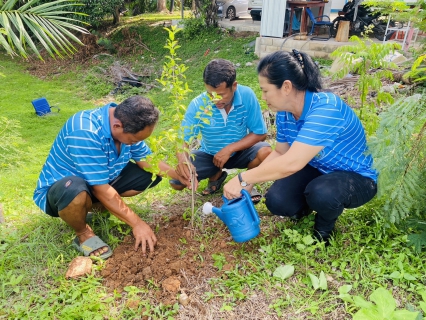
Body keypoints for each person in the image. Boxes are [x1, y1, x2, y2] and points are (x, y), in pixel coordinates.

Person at [223, 50, 378, 243]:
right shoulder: (284, 113)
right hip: (319, 167)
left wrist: (243, 178)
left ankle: (324, 230)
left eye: (265, 90)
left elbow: (292, 163)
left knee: (322, 193)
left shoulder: (326, 109)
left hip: (357, 177)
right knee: (277, 200)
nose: (263, 97)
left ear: (286, 87)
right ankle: (307, 207)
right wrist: (250, 184)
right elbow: (281, 152)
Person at [33, 96, 190, 259]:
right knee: (74, 188)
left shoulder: (129, 122)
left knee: (149, 175)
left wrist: (178, 175)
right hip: (62, 192)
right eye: (133, 140)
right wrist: (137, 224)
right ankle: (83, 233)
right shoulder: (84, 131)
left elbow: (147, 159)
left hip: (99, 180)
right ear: (117, 126)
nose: (134, 143)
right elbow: (100, 188)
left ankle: (96, 205)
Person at [170, 59, 272, 202]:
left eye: (221, 95)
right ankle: (216, 175)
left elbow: (260, 133)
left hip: (240, 152)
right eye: (210, 94)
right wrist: (184, 161)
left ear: (234, 86)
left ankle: (245, 182)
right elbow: (182, 140)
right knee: (176, 181)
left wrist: (230, 149)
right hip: (210, 155)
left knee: (266, 152)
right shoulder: (198, 104)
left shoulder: (247, 96)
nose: (215, 100)